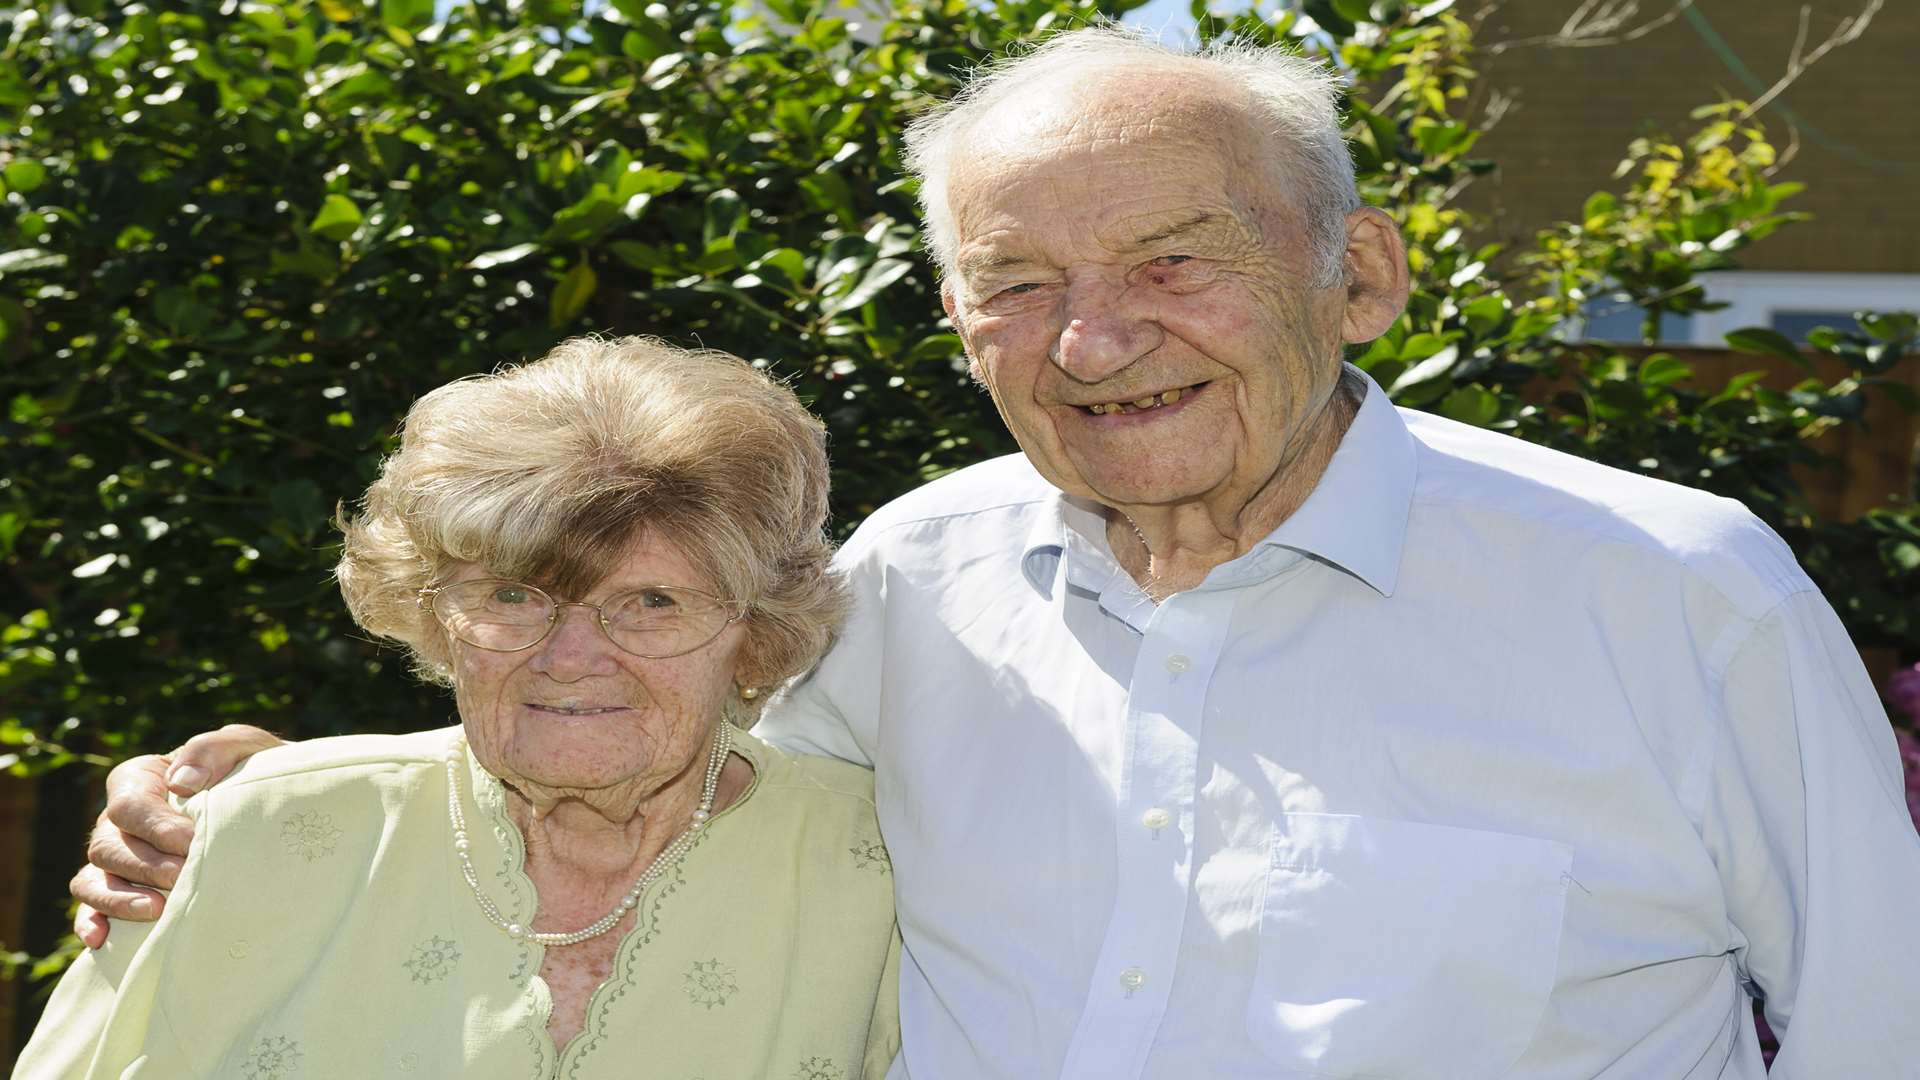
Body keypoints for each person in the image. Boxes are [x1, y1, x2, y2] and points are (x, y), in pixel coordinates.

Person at [72, 27, 1920, 1079]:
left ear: (1359, 275)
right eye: (1017, 288)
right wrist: (249, 797)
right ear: (956, 329)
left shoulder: (1676, 595)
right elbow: (628, 768)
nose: (1094, 341)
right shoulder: (909, 586)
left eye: (1176, 261)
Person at [27, 337, 900, 1078]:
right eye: (514, 596)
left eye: (653, 602)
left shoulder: (882, 868)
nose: (571, 659)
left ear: (756, 632)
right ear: (431, 613)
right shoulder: (253, 829)